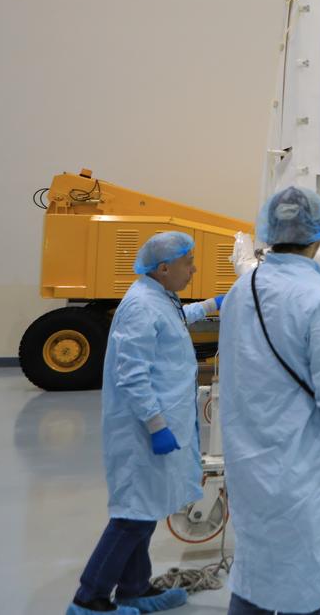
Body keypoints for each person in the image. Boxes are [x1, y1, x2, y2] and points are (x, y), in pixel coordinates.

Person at [218, 187, 320, 615]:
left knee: (258, 569)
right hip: (301, 464)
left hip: (248, 458)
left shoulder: (242, 290)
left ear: (270, 232)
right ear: (319, 235)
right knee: (302, 579)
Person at [69, 231, 222, 615]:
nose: (193, 270)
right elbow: (132, 374)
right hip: (142, 430)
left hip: (157, 424)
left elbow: (173, 321)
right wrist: (156, 426)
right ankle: (89, 599)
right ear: (165, 267)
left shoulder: (157, 296)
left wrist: (212, 305)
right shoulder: (141, 305)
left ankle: (135, 590)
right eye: (189, 263)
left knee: (145, 510)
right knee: (132, 517)